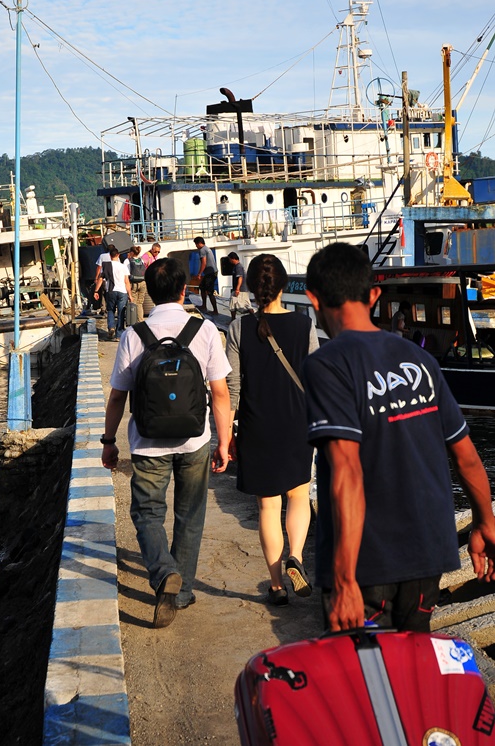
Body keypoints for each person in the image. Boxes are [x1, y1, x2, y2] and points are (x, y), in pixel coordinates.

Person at [302, 242, 495, 632]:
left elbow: (346, 471)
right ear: (374, 296)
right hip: (428, 554)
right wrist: (484, 523)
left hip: (368, 563)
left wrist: (344, 578)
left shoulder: (327, 364)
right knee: (412, 663)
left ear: (313, 299)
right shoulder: (420, 360)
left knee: (364, 669)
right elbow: (466, 457)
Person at [101, 257, 231, 628]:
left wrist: (109, 441)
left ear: (150, 292)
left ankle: (163, 573)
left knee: (147, 513)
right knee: (190, 514)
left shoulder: (134, 335)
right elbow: (220, 393)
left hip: (148, 442)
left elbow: (118, 396)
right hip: (195, 440)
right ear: (183, 289)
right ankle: (182, 591)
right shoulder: (204, 330)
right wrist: (224, 442)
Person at [223, 254, 319, 606]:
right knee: (298, 496)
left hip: (257, 427)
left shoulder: (238, 329)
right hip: (297, 425)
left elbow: (232, 390)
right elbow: (315, 379)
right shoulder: (304, 325)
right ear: (282, 286)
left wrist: (226, 436)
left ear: (250, 286)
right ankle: (296, 555)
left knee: (268, 507)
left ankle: (277, 586)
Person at [94, 246, 132, 339]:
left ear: (110, 256)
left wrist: (96, 291)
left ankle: (111, 327)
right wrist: (130, 295)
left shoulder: (106, 266)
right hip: (122, 292)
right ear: (118, 255)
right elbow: (126, 281)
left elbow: (100, 279)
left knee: (110, 310)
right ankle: (119, 335)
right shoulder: (123, 266)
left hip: (110, 291)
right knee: (121, 312)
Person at [194, 237, 218, 315]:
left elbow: (203, 263)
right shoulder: (207, 249)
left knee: (210, 292)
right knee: (202, 287)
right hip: (212, 272)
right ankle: (204, 305)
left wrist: (199, 273)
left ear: (199, 243)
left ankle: (215, 310)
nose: (196, 246)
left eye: (196, 244)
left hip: (210, 273)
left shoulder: (202, 250)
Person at [227, 252, 254, 321]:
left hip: (241, 289)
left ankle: (254, 317)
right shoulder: (236, 267)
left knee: (245, 305)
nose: (229, 261)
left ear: (233, 259)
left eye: (229, 259)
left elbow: (240, 277)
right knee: (234, 304)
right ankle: (233, 319)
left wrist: (237, 289)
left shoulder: (238, 267)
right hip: (240, 289)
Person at [123, 245, 147, 322]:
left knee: (133, 302)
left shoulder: (127, 261)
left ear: (132, 253)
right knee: (140, 303)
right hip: (143, 282)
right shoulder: (141, 260)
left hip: (133, 283)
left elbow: (125, 274)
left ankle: (132, 321)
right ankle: (140, 320)